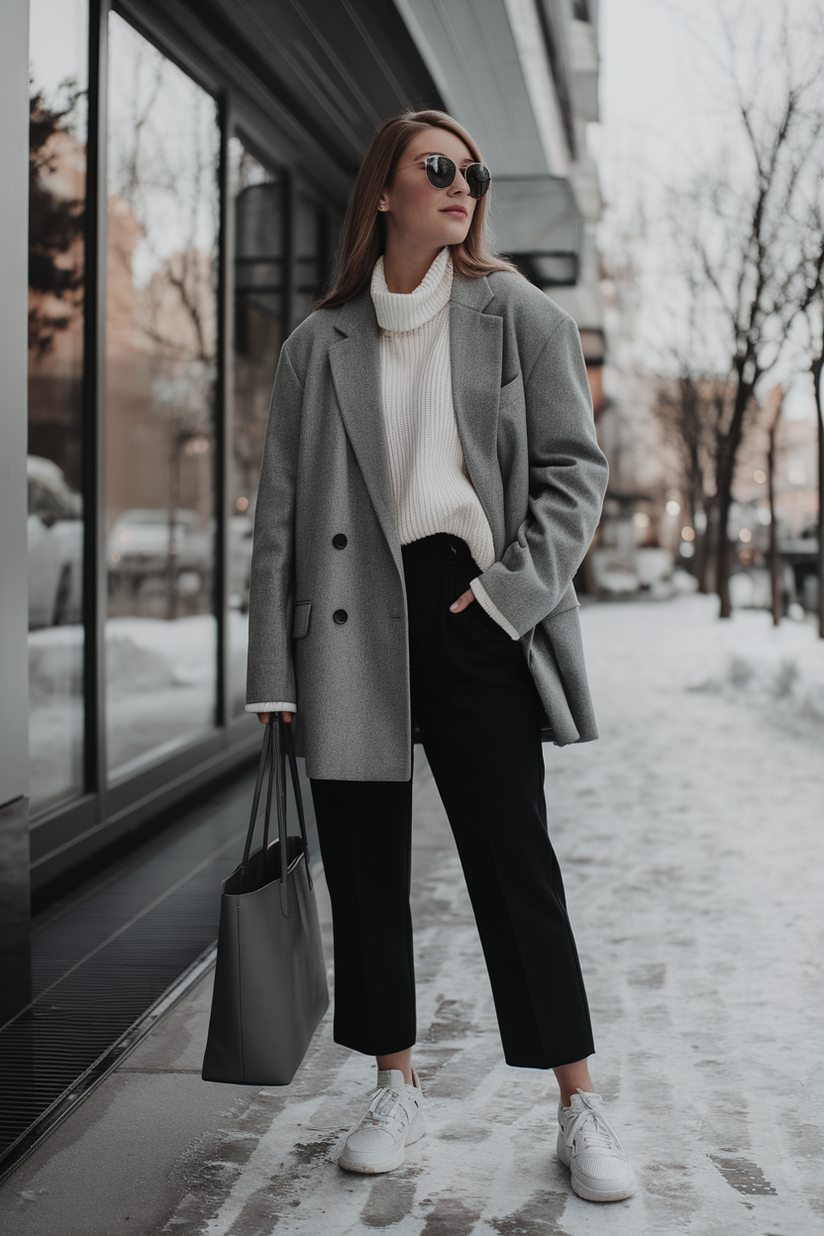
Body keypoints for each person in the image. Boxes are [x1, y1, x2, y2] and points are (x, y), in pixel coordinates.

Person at [245, 108, 636, 1204]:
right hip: (346, 618)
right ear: (383, 191)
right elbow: (276, 520)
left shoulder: (514, 312)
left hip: (469, 610)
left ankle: (576, 1100)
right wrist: (267, 673)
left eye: (470, 170)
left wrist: (507, 597)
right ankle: (394, 1083)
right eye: (435, 168)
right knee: (364, 868)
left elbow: (574, 474)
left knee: (516, 866)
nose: (459, 184)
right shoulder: (315, 344)